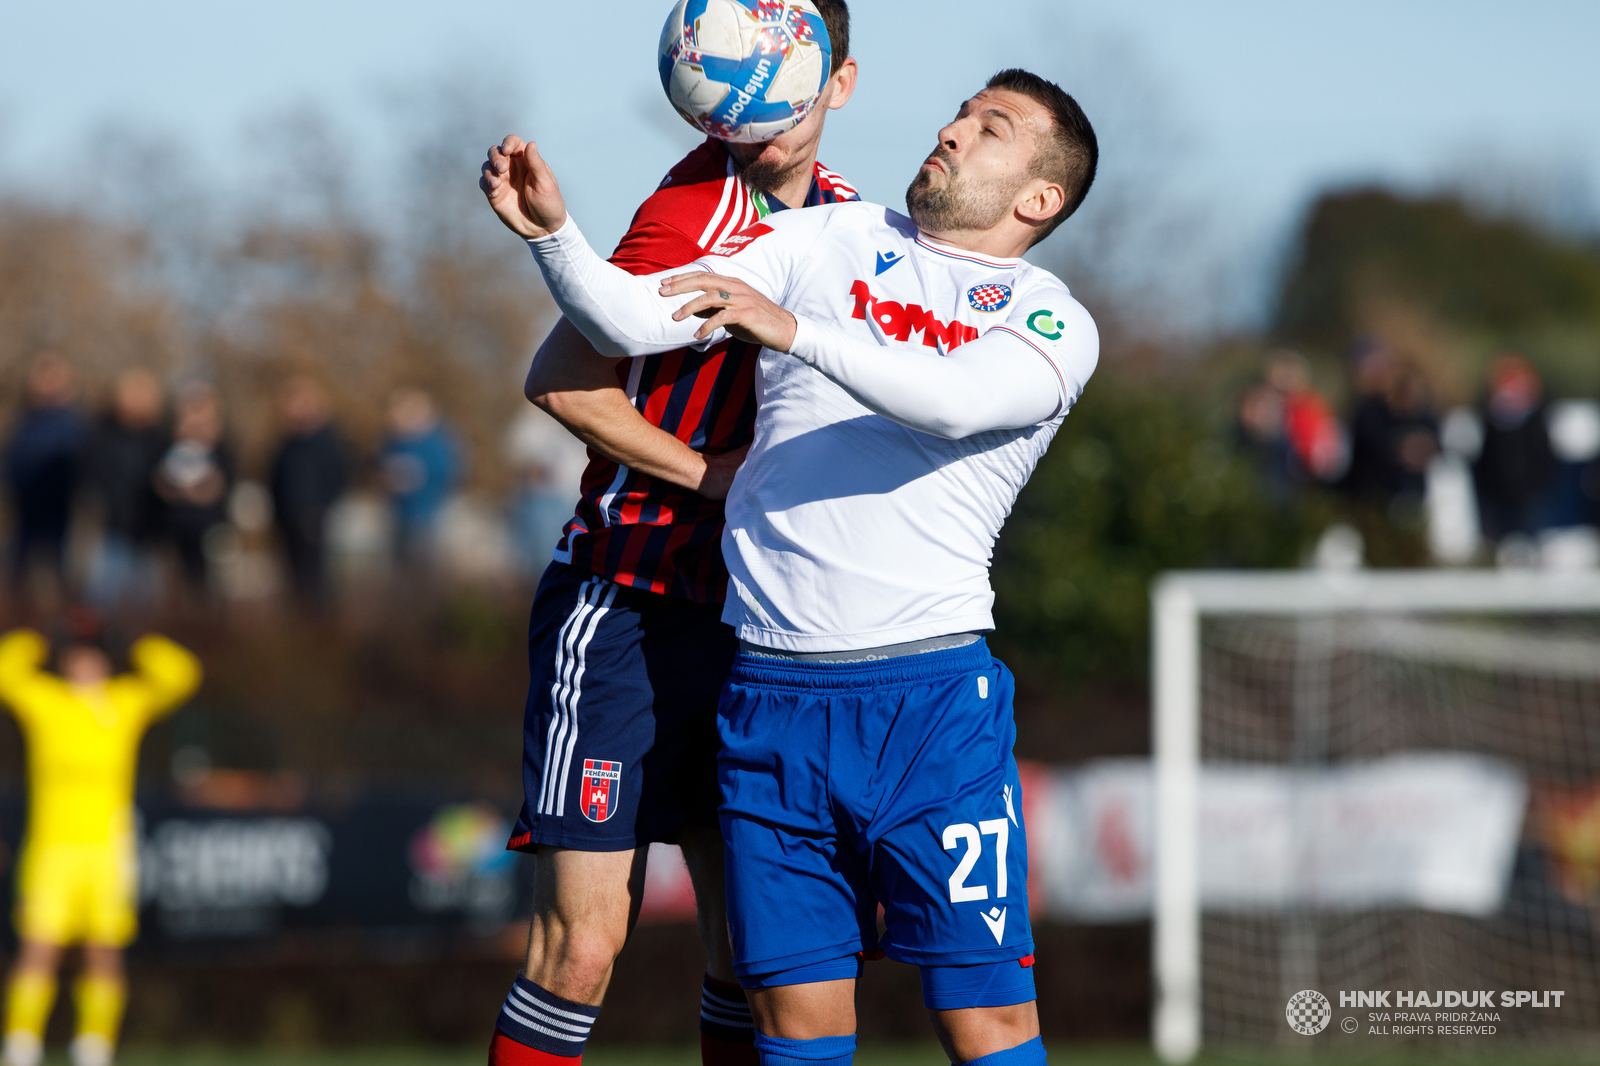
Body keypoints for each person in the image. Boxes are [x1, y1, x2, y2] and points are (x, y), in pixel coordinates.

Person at [483, 64, 1097, 1066]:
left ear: (1038, 199)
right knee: (795, 1024)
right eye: (958, 113)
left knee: (985, 1021)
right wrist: (555, 236)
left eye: (989, 129)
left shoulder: (1048, 319)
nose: (950, 130)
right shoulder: (829, 237)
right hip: (767, 694)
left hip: (930, 704)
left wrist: (794, 329)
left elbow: (949, 401)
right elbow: (636, 322)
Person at [485, 5, 858, 1065]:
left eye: (795, 66)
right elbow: (559, 379)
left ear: (839, 81)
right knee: (582, 947)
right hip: (622, 602)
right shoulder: (690, 207)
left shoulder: (848, 221)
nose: (769, 98)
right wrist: (714, 478)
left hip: (751, 622)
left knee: (755, 959)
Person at [0, 622, 202, 1066]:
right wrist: (38, 637)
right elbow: (4, 671)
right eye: (76, 654)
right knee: (38, 945)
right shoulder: (46, 701)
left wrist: (136, 641)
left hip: (109, 849)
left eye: (93, 655)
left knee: (104, 950)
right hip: (53, 849)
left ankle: (94, 1046)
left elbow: (182, 674)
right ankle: (20, 1044)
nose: (85, 664)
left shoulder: (124, 701)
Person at [85, 369, 169, 614]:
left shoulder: (162, 439)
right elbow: (90, 481)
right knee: (98, 607)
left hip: (149, 537)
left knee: (147, 610)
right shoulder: (100, 434)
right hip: (109, 533)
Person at [5, 354, 87, 596]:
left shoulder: (76, 422)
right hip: (25, 515)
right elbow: (11, 462)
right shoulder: (23, 421)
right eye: (42, 378)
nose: (47, 384)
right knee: (17, 583)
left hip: (64, 515)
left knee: (65, 585)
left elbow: (84, 468)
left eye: (54, 378)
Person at [269, 377, 348, 608]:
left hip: (317, 520)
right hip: (288, 520)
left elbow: (339, 477)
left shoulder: (329, 441)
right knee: (294, 582)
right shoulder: (286, 444)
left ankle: (320, 628)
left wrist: (319, 509)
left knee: (318, 581)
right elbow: (275, 481)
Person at [154, 383, 234, 596]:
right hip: (177, 528)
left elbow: (222, 486)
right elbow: (160, 484)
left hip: (213, 530)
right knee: (182, 586)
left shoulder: (223, 449)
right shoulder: (168, 446)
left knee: (213, 587)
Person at [1474, 352, 1556, 542]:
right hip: (1497, 492)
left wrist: (1538, 482)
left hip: (1532, 493)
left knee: (1533, 540)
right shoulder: (1490, 415)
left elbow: (1544, 454)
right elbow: (1487, 454)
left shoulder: (1537, 413)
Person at [379, 388, 460, 569]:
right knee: (401, 570)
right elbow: (380, 466)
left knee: (424, 569)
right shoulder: (393, 442)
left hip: (428, 515)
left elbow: (449, 475)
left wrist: (416, 478)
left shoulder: (437, 441)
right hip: (398, 513)